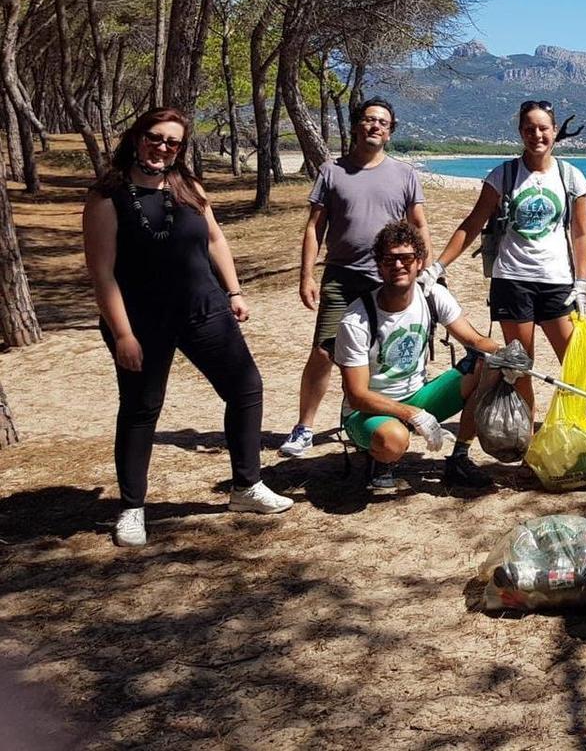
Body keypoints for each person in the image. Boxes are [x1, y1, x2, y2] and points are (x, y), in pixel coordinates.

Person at [82, 107, 292, 547]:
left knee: (245, 388)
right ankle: (132, 509)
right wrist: (123, 334)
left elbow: (215, 239)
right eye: (155, 137)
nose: (162, 147)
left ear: (180, 149)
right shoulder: (107, 198)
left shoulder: (188, 187)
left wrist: (234, 292)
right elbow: (102, 274)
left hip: (204, 309)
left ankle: (246, 487)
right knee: (141, 409)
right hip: (141, 321)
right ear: (137, 137)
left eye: (172, 142)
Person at [280, 98, 430, 458]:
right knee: (324, 350)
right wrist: (306, 276)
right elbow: (314, 228)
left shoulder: (405, 174)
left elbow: (419, 225)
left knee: (385, 351)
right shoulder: (332, 172)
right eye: (368, 120)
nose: (375, 126)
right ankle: (304, 428)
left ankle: (376, 419)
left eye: (383, 122)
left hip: (389, 278)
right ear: (357, 126)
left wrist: (423, 268)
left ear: (390, 132)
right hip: (342, 276)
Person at [434, 100, 586, 422]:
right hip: (512, 280)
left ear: (555, 131)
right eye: (529, 129)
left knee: (578, 362)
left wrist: (582, 282)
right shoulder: (503, 175)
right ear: (521, 132)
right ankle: (528, 437)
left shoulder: (571, 176)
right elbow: (473, 223)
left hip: (557, 282)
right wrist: (439, 265)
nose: (537, 135)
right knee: (521, 368)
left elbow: (580, 233)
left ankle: (569, 425)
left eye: (543, 128)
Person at [334, 221, 513, 489]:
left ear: (419, 262)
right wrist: (413, 414)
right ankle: (380, 459)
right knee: (394, 439)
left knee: (489, 366)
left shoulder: (432, 296)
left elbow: (474, 340)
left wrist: (505, 354)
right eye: (389, 260)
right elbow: (357, 395)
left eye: (406, 258)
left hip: (418, 396)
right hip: (368, 411)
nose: (398, 265)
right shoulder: (356, 320)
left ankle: (459, 458)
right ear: (379, 266)